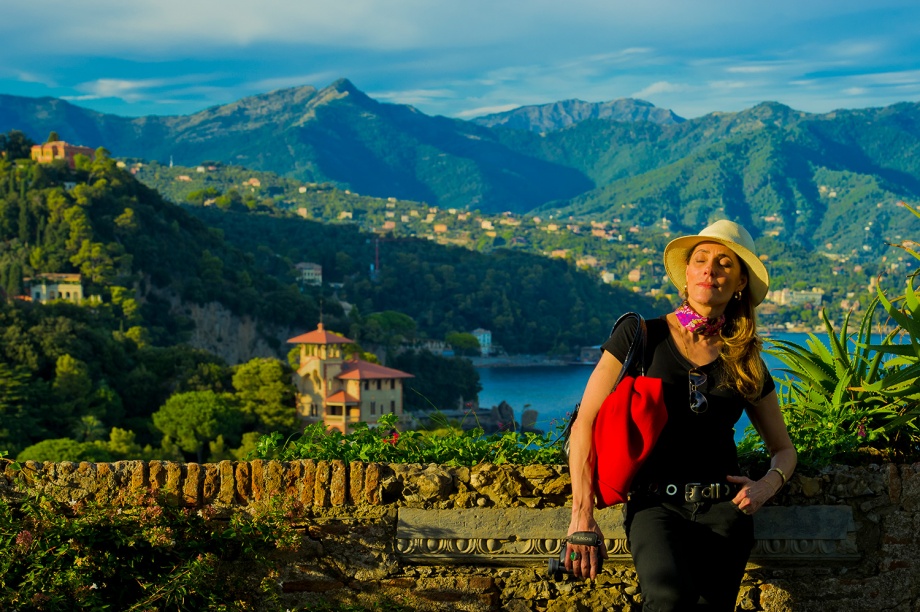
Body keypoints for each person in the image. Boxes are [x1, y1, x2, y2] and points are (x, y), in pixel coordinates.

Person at [565, 219, 797, 610]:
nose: (711, 269)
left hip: (726, 513)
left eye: (725, 263)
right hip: (656, 506)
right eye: (701, 259)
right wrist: (581, 516)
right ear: (686, 276)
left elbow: (784, 450)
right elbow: (585, 421)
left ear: (740, 283)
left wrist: (765, 487)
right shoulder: (641, 337)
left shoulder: (745, 360)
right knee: (667, 601)